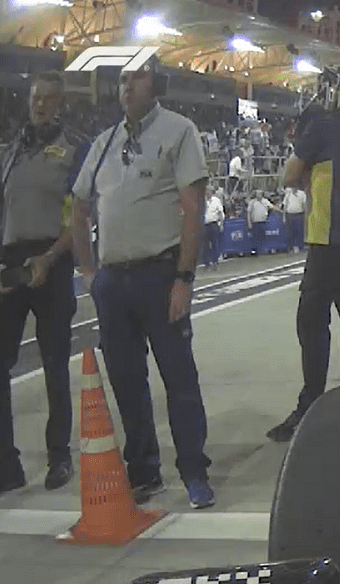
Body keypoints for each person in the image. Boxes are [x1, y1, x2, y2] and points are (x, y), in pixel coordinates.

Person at [70, 58, 215, 508]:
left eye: (136, 77)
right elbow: (78, 207)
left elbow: (193, 208)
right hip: (113, 280)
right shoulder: (103, 144)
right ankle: (144, 471)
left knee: (179, 377)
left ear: (157, 84)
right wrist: (89, 272)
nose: (126, 86)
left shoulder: (178, 131)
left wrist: (184, 278)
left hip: (159, 275)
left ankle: (193, 471)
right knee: (127, 382)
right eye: (121, 79)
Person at [266, 58, 340, 443]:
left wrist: (308, 176)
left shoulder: (325, 126)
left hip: (328, 238)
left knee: (312, 321)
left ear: (339, 88)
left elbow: (289, 174)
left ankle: (311, 403)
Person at [0, 71, 89, 494]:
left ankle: (59, 456)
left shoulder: (74, 149)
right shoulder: (12, 151)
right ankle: (6, 463)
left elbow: (80, 216)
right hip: (11, 261)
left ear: (61, 104)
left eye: (48, 99)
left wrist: (50, 257)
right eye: (35, 98)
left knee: (55, 364)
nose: (39, 105)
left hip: (53, 260)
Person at [202, 185, 224, 267]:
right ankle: (206, 262)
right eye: (206, 190)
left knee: (215, 243)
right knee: (205, 244)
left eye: (209, 190)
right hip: (205, 224)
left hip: (213, 224)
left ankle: (215, 261)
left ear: (212, 191)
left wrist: (221, 224)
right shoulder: (202, 201)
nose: (207, 192)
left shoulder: (216, 200)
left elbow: (220, 212)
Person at [282, 183, 306, 253]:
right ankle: (290, 247)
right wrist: (284, 217)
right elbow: (285, 206)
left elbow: (304, 204)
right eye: (292, 187)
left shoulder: (302, 194)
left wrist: (305, 214)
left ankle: (298, 246)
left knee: (299, 231)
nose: (293, 188)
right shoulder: (288, 194)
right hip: (290, 215)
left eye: (294, 187)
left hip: (299, 214)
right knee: (290, 231)